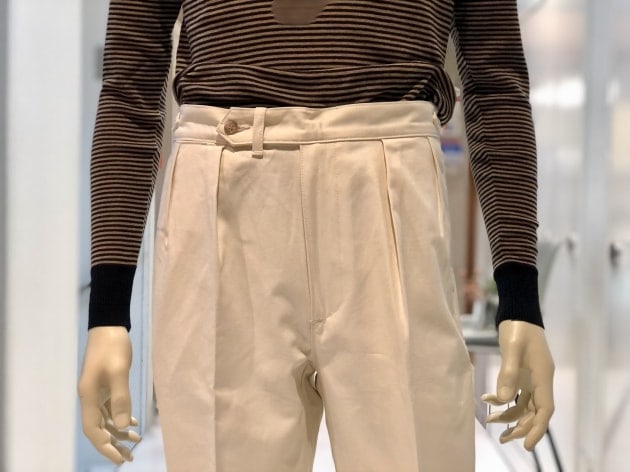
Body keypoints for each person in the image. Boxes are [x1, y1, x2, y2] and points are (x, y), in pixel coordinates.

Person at [78, 1, 555, 470]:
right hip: (222, 183)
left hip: (390, 179)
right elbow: (131, 83)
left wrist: (519, 295)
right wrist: (109, 310)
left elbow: (495, 83)